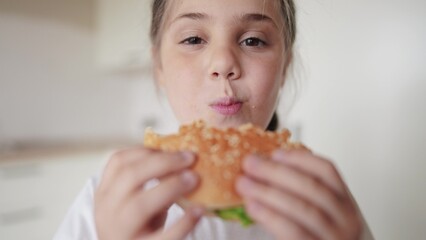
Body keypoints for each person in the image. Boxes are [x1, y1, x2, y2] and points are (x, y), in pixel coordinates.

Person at [54, 0, 374, 239]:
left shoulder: (319, 203)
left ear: (284, 68)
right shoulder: (106, 201)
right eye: (194, 39)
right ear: (158, 67)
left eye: (253, 40)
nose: (223, 62)